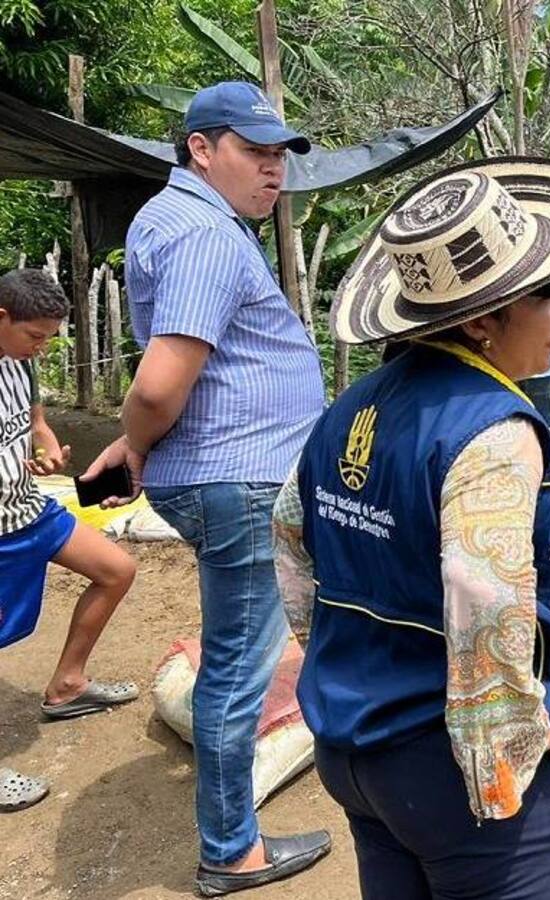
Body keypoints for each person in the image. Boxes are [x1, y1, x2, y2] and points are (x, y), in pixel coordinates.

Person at [272, 158, 550, 900]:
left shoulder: (350, 410)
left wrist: (342, 662)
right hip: (459, 781)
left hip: (359, 748)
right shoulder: (492, 433)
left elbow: (291, 542)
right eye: (548, 296)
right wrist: (513, 743)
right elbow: (478, 587)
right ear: (483, 320)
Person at [82, 82, 330, 893]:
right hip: (243, 481)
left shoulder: (180, 220)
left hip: (229, 471)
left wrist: (132, 444)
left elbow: (184, 375)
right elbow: (159, 386)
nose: (274, 173)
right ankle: (230, 851)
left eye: (279, 158)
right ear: (200, 148)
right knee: (237, 668)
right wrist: (139, 434)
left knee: (253, 644)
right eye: (255, 154)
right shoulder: (204, 236)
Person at [0, 269, 138, 813]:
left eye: (50, 339)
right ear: (1, 318)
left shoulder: (19, 363)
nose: (42, 348)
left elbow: (34, 420)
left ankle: (67, 687)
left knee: (116, 570)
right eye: (35, 336)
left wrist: (49, 447)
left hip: (28, 510)